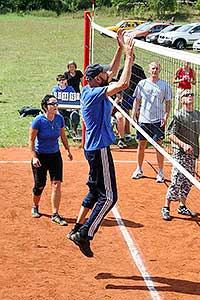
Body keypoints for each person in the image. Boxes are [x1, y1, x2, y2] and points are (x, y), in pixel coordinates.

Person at [66, 29, 135, 257]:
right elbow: (123, 82)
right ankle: (85, 234)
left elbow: (113, 72)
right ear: (97, 78)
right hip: (99, 150)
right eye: (104, 74)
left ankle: (77, 227)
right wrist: (130, 56)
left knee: (95, 193)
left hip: (92, 148)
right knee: (110, 196)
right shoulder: (96, 94)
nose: (108, 74)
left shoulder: (90, 88)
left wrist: (119, 48)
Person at [29, 95, 73, 225]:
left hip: (55, 155)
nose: (55, 106)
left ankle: (55, 214)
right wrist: (34, 157)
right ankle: (35, 206)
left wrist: (68, 150)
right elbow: (31, 140)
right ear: (45, 107)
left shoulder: (59, 119)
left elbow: (63, 136)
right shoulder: (38, 121)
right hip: (40, 156)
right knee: (39, 185)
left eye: (56, 103)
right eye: (52, 104)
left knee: (56, 183)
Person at [161, 89, 200, 221]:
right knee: (177, 180)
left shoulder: (197, 115)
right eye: (186, 95)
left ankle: (182, 205)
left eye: (191, 94)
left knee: (188, 181)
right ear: (181, 100)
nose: (190, 96)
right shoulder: (178, 115)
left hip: (192, 153)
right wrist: (183, 145)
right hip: (180, 154)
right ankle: (166, 207)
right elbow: (170, 134)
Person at [132, 61, 173, 183]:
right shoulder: (142, 84)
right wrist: (134, 112)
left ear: (159, 70)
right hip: (144, 120)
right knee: (141, 145)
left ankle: (160, 172)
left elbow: (168, 102)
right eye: (152, 69)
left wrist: (166, 115)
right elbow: (137, 100)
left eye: (156, 68)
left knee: (158, 146)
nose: (154, 71)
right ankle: (139, 169)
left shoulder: (165, 85)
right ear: (149, 70)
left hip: (157, 120)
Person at [117, 62, 146, 142]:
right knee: (126, 115)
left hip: (136, 95)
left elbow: (144, 81)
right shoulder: (122, 70)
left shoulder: (138, 69)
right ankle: (128, 134)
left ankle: (139, 133)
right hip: (126, 94)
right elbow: (119, 82)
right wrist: (119, 95)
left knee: (138, 113)